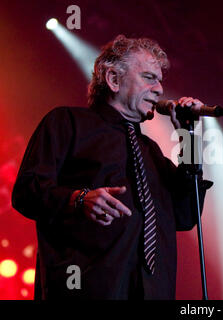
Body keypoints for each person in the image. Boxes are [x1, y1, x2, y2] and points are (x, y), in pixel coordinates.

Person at [11, 35, 212, 299]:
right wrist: (78, 199)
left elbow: (185, 217)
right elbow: (27, 192)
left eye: (160, 80)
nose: (160, 89)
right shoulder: (67, 123)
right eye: (149, 77)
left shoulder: (150, 151)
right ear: (114, 80)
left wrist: (188, 137)